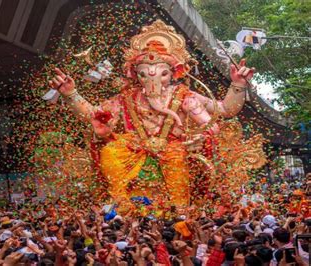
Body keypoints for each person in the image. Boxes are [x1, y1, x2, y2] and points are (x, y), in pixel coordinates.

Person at [48, 20, 260, 212]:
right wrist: (71, 94)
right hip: (134, 146)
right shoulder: (126, 97)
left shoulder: (184, 96)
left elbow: (224, 111)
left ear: (173, 73)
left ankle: (180, 209)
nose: (152, 79)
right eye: (143, 73)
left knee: (176, 159)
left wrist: (238, 85)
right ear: (136, 74)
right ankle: (120, 202)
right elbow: (94, 114)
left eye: (162, 73)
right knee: (111, 151)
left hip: (173, 147)